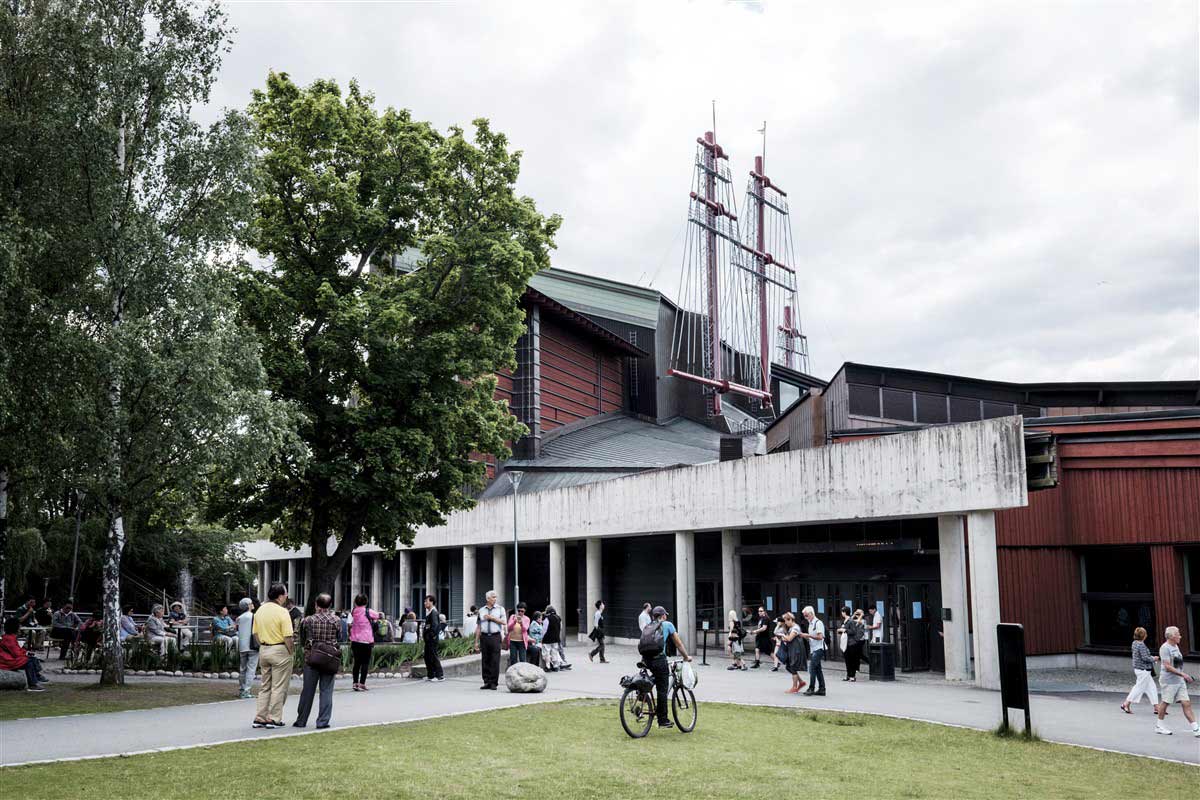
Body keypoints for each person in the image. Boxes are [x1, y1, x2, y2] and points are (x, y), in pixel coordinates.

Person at [251, 583, 295, 729]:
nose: (286, 597)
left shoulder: (259, 611)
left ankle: (260, 717)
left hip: (264, 649)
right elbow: (288, 636)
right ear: (280, 596)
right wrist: (291, 651)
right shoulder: (282, 612)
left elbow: (255, 633)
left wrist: (263, 645)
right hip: (280, 649)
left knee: (265, 686)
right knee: (278, 686)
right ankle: (274, 718)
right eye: (286, 594)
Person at [641, 605, 691, 729]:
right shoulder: (668, 625)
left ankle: (642, 691)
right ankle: (662, 720)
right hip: (659, 659)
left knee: (656, 678)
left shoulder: (648, 626)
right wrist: (686, 657)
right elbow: (678, 644)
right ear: (663, 616)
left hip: (646, 659)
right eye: (665, 615)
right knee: (662, 689)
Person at [293, 592, 338, 729]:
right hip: (329, 658)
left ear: (316, 604)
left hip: (311, 657)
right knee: (326, 690)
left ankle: (301, 720)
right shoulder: (336, 620)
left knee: (308, 690)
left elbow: (302, 638)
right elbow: (341, 636)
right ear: (330, 605)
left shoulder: (307, 620)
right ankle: (323, 721)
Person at [1155, 625, 1199, 737]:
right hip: (1168, 681)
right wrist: (1183, 674)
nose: (1180, 636)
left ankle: (1196, 728)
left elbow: (1177, 663)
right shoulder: (1165, 648)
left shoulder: (1175, 646)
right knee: (1165, 702)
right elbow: (1167, 666)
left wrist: (1182, 674)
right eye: (1178, 634)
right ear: (1171, 636)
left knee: (1186, 703)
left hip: (1179, 681)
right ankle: (1159, 726)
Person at [1, 617, 49, 691]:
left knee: (33, 658)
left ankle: (37, 676)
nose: (20, 628)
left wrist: (26, 652)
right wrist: (25, 654)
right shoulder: (9, 639)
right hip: (6, 661)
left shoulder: (10, 637)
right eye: (19, 626)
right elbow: (16, 653)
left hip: (9, 658)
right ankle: (32, 684)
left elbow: (17, 650)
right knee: (28, 662)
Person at [1120, 626, 1158, 715]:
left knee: (1152, 688)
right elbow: (1145, 658)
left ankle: (1156, 707)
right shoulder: (1141, 645)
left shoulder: (1134, 643)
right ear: (1144, 635)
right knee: (1138, 688)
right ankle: (1126, 703)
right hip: (1143, 669)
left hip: (1139, 669)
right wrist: (1154, 658)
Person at [474, 590, 506, 690]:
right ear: (488, 599)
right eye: (493, 597)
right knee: (485, 659)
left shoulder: (500, 609)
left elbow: (504, 622)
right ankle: (486, 681)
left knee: (495, 660)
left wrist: (492, 618)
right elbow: (479, 627)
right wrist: (476, 642)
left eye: (496, 597)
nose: (495, 599)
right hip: (484, 637)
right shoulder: (481, 610)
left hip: (495, 636)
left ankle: (493, 682)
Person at [349, 594, 381, 691]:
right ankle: (362, 683)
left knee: (356, 663)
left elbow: (350, 622)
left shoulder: (353, 611)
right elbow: (378, 616)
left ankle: (355, 683)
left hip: (355, 640)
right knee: (365, 663)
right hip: (367, 641)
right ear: (366, 602)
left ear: (355, 602)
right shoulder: (368, 611)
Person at [800, 605, 826, 696]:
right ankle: (822, 689)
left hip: (819, 649)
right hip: (814, 649)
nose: (805, 617)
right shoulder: (810, 624)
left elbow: (820, 637)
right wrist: (806, 637)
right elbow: (812, 639)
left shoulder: (818, 623)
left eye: (806, 615)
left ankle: (811, 688)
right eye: (804, 615)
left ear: (811, 613)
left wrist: (808, 636)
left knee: (812, 668)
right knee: (818, 669)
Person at [236, 597, 258, 699]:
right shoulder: (254, 616)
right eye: (251, 603)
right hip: (252, 645)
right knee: (251, 669)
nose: (252, 604)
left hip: (242, 646)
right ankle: (247, 691)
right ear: (248, 605)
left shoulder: (239, 618)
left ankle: (241, 689)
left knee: (242, 669)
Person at [780, 612, 807, 693]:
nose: (785, 623)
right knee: (789, 666)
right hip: (792, 649)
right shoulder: (791, 628)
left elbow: (789, 639)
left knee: (793, 667)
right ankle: (801, 682)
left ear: (790, 620)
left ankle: (795, 687)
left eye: (786, 621)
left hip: (796, 650)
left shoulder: (795, 628)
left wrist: (783, 635)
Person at [838, 607, 866, 682]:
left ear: (844, 612)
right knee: (847, 660)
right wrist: (841, 631)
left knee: (852, 660)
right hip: (846, 643)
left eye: (842, 612)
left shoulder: (850, 621)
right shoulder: (846, 621)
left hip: (851, 643)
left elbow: (853, 631)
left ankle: (852, 676)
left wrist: (844, 630)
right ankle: (848, 675)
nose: (841, 613)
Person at [422, 594, 445, 681]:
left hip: (432, 639)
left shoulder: (434, 613)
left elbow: (435, 626)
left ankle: (439, 675)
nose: (424, 603)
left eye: (426, 601)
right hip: (429, 639)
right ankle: (431, 675)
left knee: (433, 656)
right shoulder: (430, 612)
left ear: (431, 602)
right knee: (427, 656)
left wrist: (430, 636)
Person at [541, 605, 569, 671]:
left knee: (547, 652)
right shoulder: (559, 618)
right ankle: (555, 666)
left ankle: (548, 667)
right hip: (556, 638)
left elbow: (544, 630)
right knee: (554, 652)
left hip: (547, 639)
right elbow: (561, 628)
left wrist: (542, 638)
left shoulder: (547, 618)